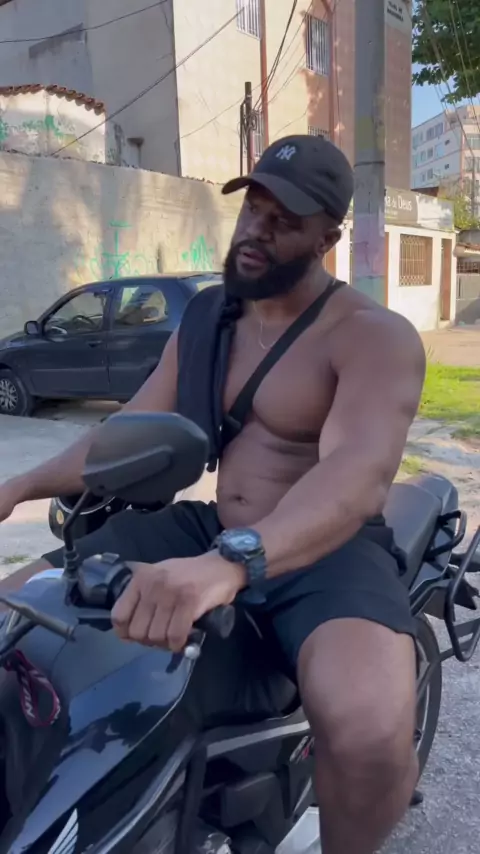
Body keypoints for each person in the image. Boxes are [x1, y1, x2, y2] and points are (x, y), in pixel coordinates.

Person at [0, 135, 426, 854]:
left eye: (283, 220)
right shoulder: (209, 316)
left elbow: (355, 475)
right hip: (212, 528)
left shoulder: (371, 336)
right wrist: (17, 486)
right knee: (18, 617)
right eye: (252, 208)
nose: (256, 230)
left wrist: (234, 562)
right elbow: (125, 429)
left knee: (368, 734)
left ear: (328, 238)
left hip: (327, 551)